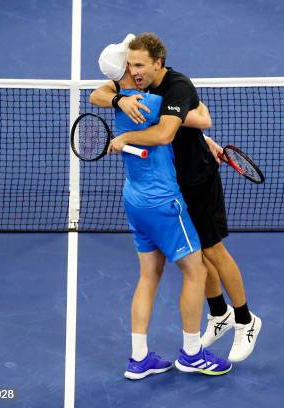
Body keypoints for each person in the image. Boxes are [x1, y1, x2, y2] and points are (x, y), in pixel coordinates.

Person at [90, 32, 262, 363]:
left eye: (140, 64)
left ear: (157, 63)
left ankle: (245, 320)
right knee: (196, 255)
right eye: (130, 65)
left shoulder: (177, 86)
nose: (135, 70)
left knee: (213, 250)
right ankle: (218, 314)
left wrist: (198, 134)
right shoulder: (137, 86)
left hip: (197, 178)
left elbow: (186, 123)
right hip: (172, 184)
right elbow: (99, 93)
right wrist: (118, 100)